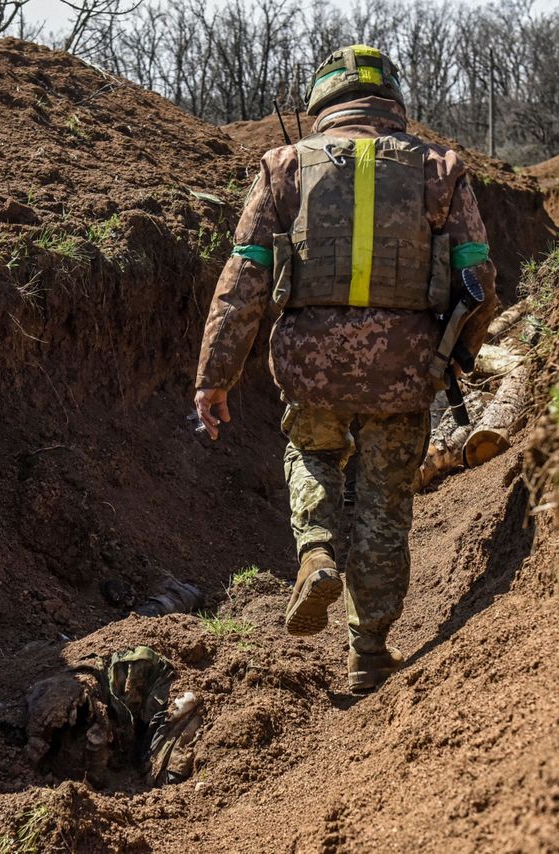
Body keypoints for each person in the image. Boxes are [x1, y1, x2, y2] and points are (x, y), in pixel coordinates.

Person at [193, 44, 499, 693]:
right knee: (386, 506)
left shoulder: (283, 167)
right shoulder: (439, 168)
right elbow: (477, 274)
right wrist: (462, 352)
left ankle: (316, 554)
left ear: (323, 102)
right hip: (406, 368)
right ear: (393, 102)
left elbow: (243, 278)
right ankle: (367, 653)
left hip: (312, 366)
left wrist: (214, 375)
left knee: (311, 454)